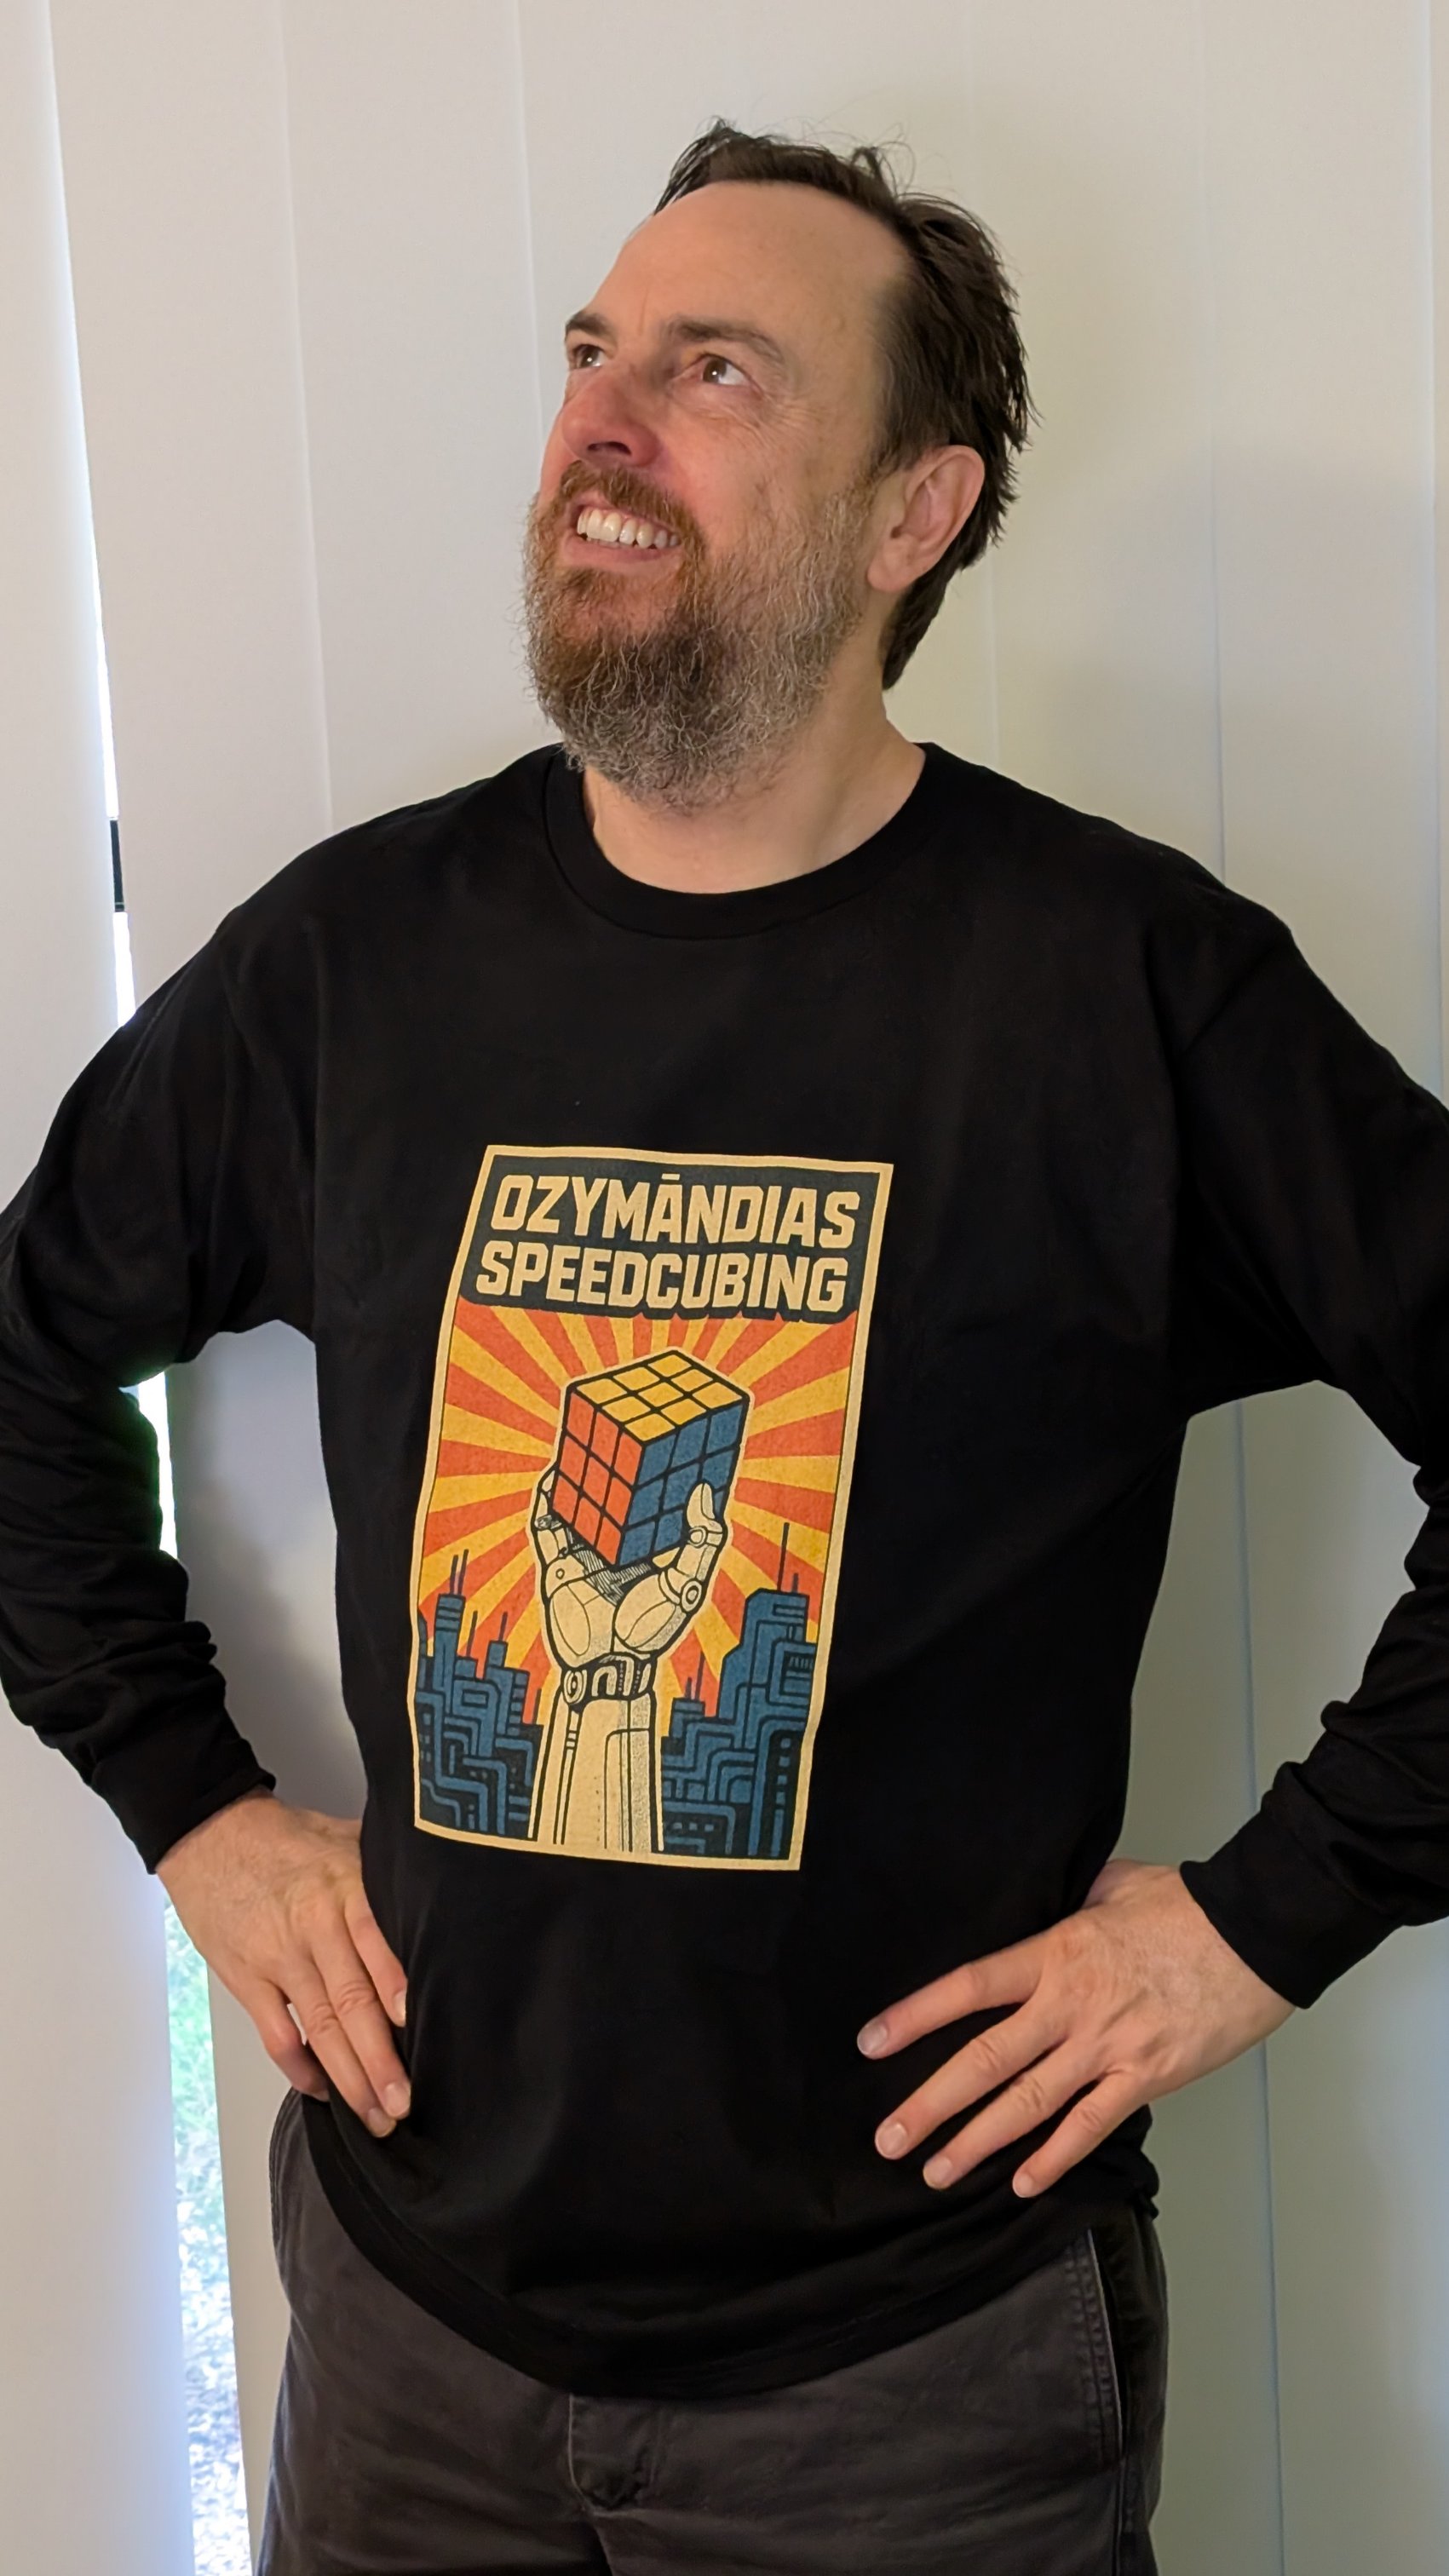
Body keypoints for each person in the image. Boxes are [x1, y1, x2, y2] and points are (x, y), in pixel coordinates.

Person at [4, 112, 1448, 2575]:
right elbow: (23, 1358)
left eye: (715, 372)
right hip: (414, 2338)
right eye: (593, 355)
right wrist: (190, 1806)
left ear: (912, 512)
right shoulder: (357, 967)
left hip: (918, 2391)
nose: (603, 417)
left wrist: (1263, 1920)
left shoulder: (1121, 990)